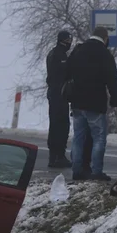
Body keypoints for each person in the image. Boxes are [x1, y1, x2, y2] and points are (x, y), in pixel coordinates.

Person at [65, 26, 117, 181]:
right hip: (95, 103)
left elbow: (67, 72)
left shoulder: (78, 51)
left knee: (78, 137)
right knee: (99, 137)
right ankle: (96, 172)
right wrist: (115, 99)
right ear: (105, 38)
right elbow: (112, 79)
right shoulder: (105, 54)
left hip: (77, 102)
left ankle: (77, 170)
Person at [45, 30, 73, 169]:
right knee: (61, 126)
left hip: (55, 93)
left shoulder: (53, 53)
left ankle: (55, 156)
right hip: (58, 94)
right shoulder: (59, 55)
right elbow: (63, 74)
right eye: (68, 41)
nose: (70, 43)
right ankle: (58, 156)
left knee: (56, 125)